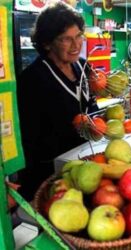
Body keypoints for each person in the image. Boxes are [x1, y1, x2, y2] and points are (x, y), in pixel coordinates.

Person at [17, 2, 98, 200]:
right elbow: (30, 140)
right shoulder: (33, 79)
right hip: (50, 177)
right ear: (47, 43)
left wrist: (99, 125)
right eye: (66, 39)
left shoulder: (82, 66)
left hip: (84, 168)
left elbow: (92, 107)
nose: (76, 44)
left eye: (79, 36)